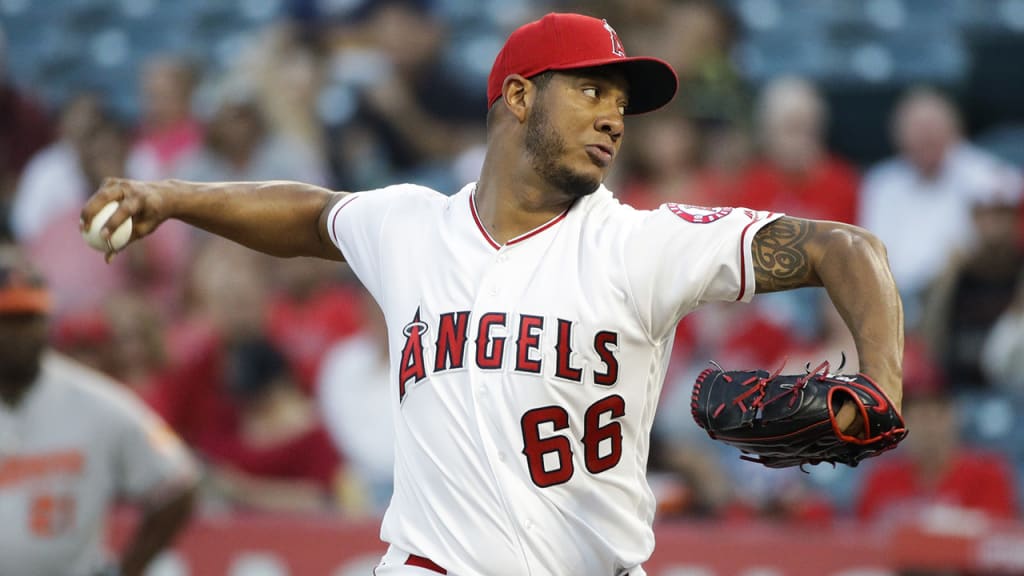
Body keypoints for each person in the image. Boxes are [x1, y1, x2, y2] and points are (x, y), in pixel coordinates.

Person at [83, 13, 904, 575]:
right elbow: (313, 214)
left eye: (621, 103)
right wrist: (172, 197)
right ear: (518, 96)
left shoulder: (637, 243)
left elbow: (848, 248)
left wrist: (884, 388)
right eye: (590, 90)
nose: (615, 118)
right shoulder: (411, 225)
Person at [0, 244, 197, 576]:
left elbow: (177, 482)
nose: (17, 333)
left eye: (28, 318)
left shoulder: (95, 402)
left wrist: (129, 568)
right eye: (7, 320)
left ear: (47, 321)